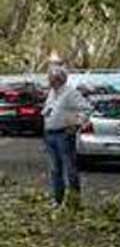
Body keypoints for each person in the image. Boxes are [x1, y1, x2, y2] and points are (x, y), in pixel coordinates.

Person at [40, 65, 93, 207]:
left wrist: (76, 124)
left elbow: (86, 109)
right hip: (50, 134)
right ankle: (57, 199)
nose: (50, 81)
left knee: (69, 168)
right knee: (54, 169)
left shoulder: (70, 93)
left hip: (63, 134)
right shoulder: (52, 93)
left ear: (60, 79)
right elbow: (48, 110)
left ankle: (74, 201)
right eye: (50, 78)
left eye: (52, 79)